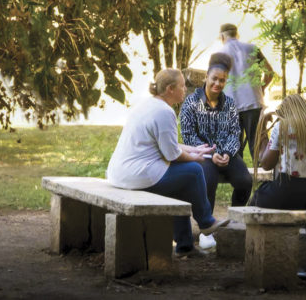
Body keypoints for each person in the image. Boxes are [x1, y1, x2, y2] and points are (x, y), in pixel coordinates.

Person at [105, 69, 229, 256]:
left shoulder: (149, 105)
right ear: (170, 89)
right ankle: (206, 223)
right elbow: (172, 155)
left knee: (181, 182)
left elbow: (167, 144)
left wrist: (194, 149)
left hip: (121, 174)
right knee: (194, 171)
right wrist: (196, 158)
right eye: (182, 86)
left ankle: (185, 246)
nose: (185, 89)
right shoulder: (164, 112)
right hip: (137, 176)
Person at [248, 94, 306, 280]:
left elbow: (266, 164)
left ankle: (268, 256)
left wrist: (263, 128)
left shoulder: (282, 127)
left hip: (287, 193)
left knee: (259, 194)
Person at [179, 53, 253, 251]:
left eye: (222, 80)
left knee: (245, 181)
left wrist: (228, 152)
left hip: (228, 154)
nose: (218, 84)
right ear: (206, 77)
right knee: (207, 179)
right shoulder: (191, 103)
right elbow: (188, 135)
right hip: (202, 154)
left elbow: (234, 132)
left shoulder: (229, 104)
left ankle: (236, 221)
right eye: (214, 79)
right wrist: (211, 154)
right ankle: (206, 231)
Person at [218, 23, 274, 158]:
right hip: (253, 102)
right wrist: (262, 87)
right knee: (259, 146)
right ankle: (264, 176)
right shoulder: (252, 48)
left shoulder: (219, 54)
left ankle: (238, 177)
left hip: (230, 106)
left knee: (234, 148)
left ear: (222, 36)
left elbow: (214, 82)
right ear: (237, 34)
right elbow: (269, 72)